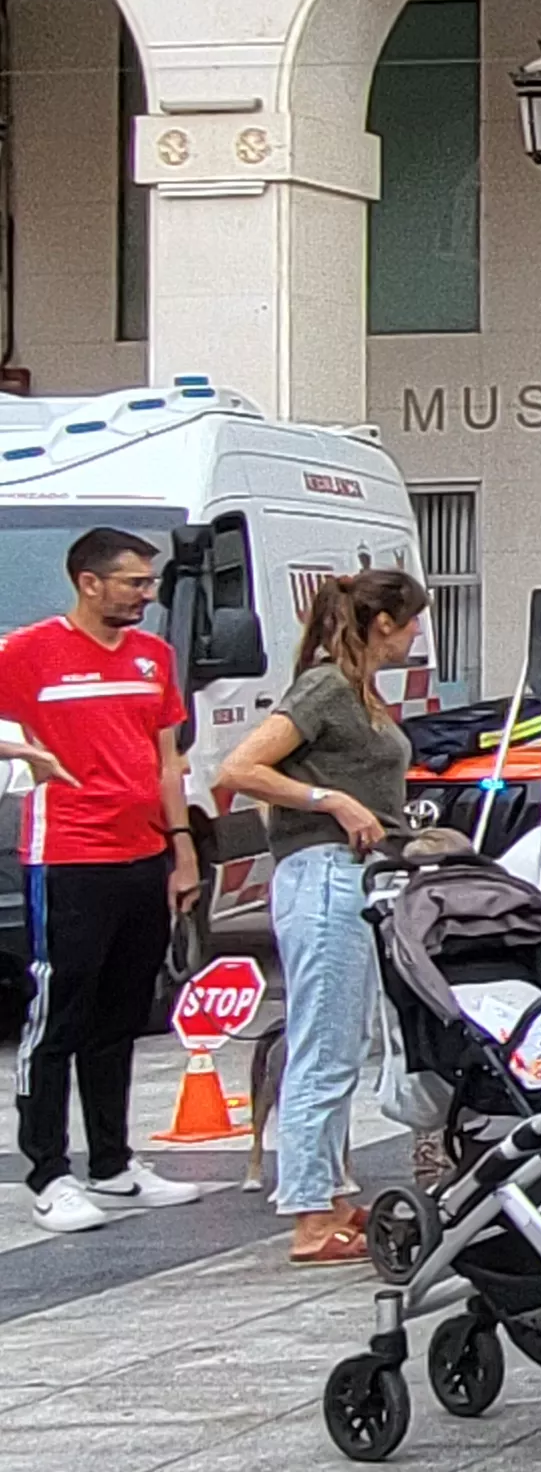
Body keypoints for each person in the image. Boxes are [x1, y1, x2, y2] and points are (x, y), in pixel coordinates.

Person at [215, 567, 430, 1265]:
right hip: (325, 873)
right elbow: (241, 768)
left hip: (357, 876)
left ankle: (331, 1192)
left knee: (343, 1037)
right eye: (412, 622)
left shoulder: (359, 693)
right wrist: (329, 801)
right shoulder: (326, 687)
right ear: (382, 625)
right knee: (324, 1044)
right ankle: (309, 1211)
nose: (418, 637)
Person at [4, 526, 203, 1233]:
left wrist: (181, 849)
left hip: (140, 855)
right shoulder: (31, 652)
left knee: (122, 1016)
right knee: (59, 1014)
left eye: (150, 582)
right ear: (90, 583)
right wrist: (22, 747)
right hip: (68, 857)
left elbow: (167, 762)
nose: (147, 595)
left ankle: (113, 1164)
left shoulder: (153, 657)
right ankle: (48, 1172)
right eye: (135, 583)